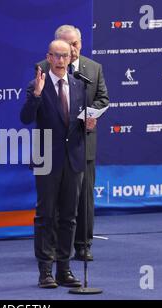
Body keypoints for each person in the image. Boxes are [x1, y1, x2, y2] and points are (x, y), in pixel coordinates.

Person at [21, 39, 96, 288]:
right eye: (57, 56)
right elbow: (26, 118)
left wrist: (88, 124)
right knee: (45, 216)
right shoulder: (37, 85)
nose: (62, 60)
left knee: (69, 216)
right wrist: (37, 95)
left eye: (66, 56)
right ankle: (45, 272)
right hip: (46, 159)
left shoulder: (79, 85)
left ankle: (64, 269)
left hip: (73, 159)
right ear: (49, 58)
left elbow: (77, 123)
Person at [37, 25, 109, 261]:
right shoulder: (44, 69)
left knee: (84, 198)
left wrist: (91, 114)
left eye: (76, 44)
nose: (73, 50)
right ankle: (56, 248)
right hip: (54, 149)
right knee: (54, 204)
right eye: (67, 46)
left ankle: (83, 244)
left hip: (83, 144)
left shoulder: (94, 68)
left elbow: (102, 98)